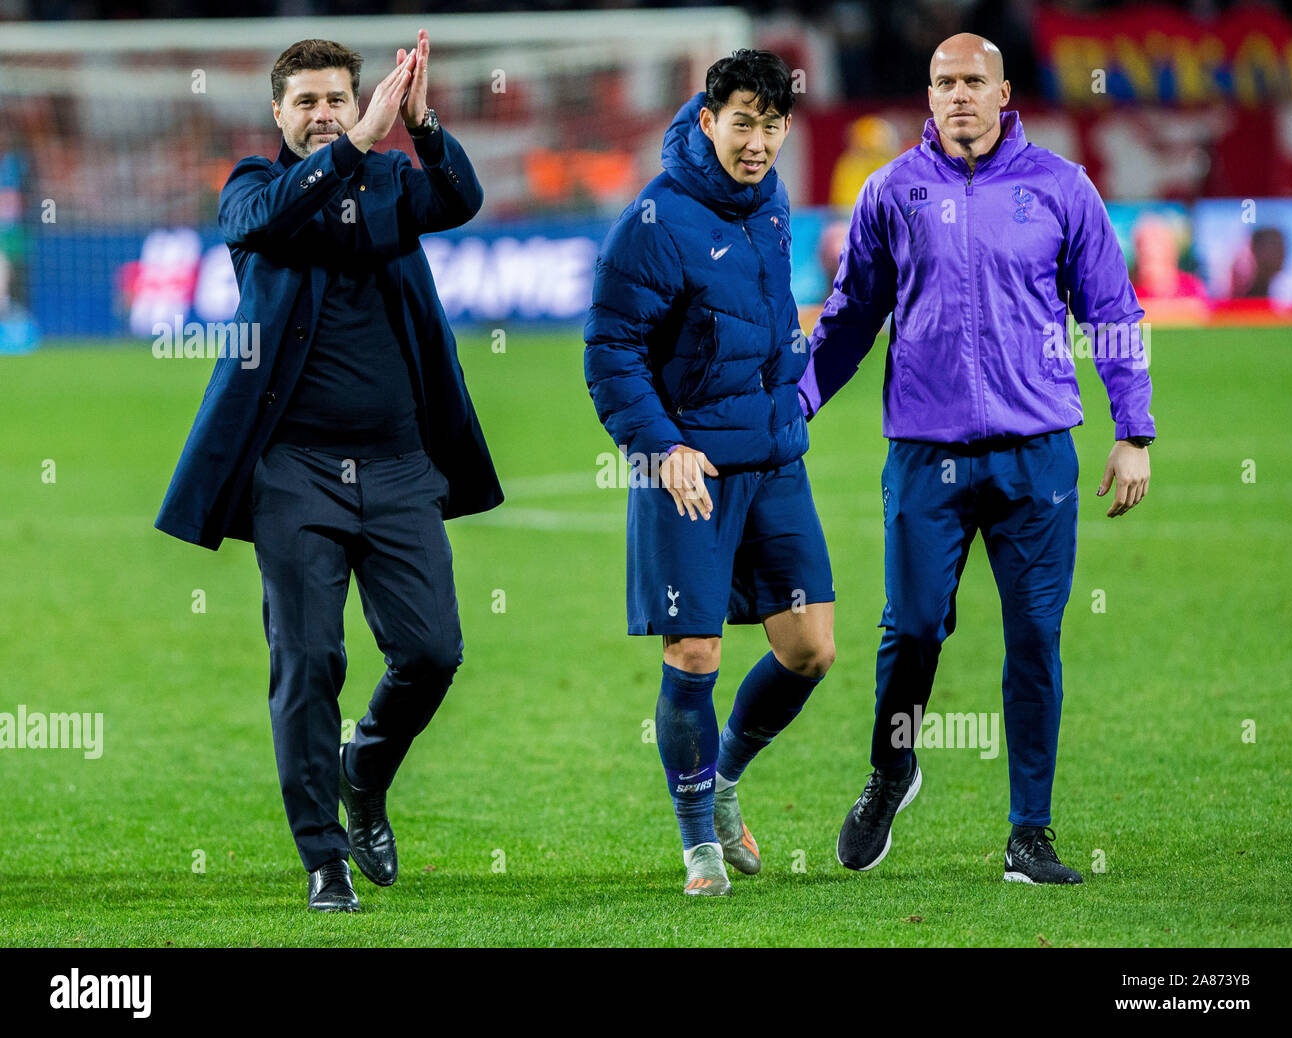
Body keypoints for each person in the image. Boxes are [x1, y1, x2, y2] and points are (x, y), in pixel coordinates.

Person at [155, 34, 503, 911]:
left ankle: (366, 771)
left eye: (337, 100)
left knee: (432, 651)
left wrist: (420, 127)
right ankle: (323, 857)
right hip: (292, 475)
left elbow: (461, 198)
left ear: (359, 102)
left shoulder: (391, 185)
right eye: (305, 102)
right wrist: (353, 148)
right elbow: (264, 224)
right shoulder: (253, 190)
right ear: (277, 114)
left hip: (399, 466)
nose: (321, 114)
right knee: (308, 661)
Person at [799, 33, 1155, 885]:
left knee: (1035, 641)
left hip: (1036, 458)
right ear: (927, 96)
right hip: (924, 457)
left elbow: (1112, 309)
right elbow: (851, 317)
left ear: (1004, 94)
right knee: (911, 629)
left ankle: (1029, 837)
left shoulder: (1062, 189)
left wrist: (1133, 430)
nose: (959, 95)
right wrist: (797, 404)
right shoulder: (890, 193)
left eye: (974, 81)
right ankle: (893, 770)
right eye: (943, 82)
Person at [585, 50, 836, 897]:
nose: (757, 142)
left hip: (771, 461)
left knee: (810, 650)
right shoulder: (654, 222)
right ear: (706, 120)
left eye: (771, 125)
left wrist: (790, 405)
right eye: (741, 123)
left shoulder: (772, 206)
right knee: (694, 654)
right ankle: (698, 844)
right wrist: (662, 448)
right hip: (687, 467)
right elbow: (610, 350)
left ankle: (723, 782)